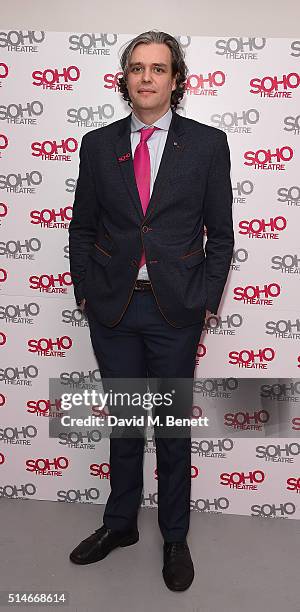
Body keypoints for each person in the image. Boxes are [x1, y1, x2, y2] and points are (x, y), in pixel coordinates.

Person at [68, 30, 234, 591]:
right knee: (123, 424)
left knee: (170, 431)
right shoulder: (97, 144)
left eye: (158, 68)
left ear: (176, 79)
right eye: (137, 67)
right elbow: (83, 226)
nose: (146, 77)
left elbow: (222, 235)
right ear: (125, 78)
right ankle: (119, 526)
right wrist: (85, 290)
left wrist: (206, 301)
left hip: (175, 313)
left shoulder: (208, 145)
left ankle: (175, 538)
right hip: (113, 309)